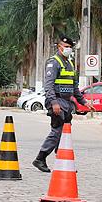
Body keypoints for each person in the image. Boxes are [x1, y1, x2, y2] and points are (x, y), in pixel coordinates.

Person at [33, 35, 87, 173]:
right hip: (57, 101)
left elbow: (74, 87)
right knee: (57, 131)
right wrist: (54, 102)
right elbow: (49, 85)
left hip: (67, 103)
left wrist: (84, 101)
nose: (68, 49)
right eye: (66, 47)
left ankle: (63, 161)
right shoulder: (54, 62)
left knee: (65, 133)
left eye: (70, 47)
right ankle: (40, 158)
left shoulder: (70, 63)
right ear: (59, 47)